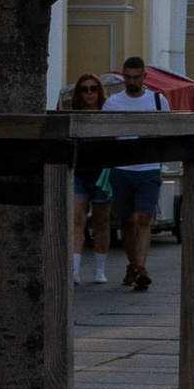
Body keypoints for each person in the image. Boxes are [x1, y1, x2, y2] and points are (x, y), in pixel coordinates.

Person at [103, 52, 169, 292]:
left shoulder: (158, 101)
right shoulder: (112, 103)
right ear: (124, 76)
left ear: (144, 77)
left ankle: (141, 268)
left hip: (148, 167)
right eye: (128, 77)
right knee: (126, 220)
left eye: (137, 77)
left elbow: (167, 131)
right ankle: (133, 265)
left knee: (143, 218)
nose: (132, 82)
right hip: (121, 168)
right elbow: (106, 136)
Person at [66, 70, 113, 286]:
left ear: (99, 91)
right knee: (77, 219)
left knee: (101, 222)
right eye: (84, 89)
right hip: (79, 172)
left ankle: (99, 269)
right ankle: (74, 270)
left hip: (102, 174)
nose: (89, 93)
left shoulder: (108, 113)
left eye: (93, 88)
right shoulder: (72, 114)